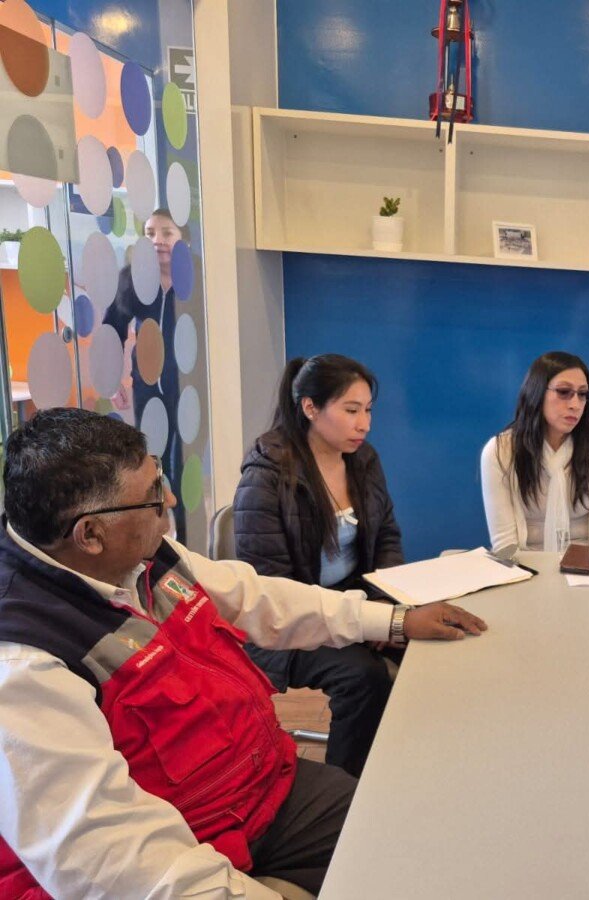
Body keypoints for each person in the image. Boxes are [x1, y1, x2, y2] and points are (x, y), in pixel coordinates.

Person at [0, 408, 485, 898]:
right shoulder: (24, 661)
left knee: (423, 840)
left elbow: (255, 597)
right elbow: (111, 859)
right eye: (152, 494)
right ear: (90, 535)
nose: (170, 499)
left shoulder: (143, 556)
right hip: (184, 842)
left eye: (160, 478)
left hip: (260, 792)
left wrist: (393, 621)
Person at [234, 354, 485, 778]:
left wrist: (384, 607)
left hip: (358, 602)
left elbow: (386, 536)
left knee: (442, 648)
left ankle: (425, 770)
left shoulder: (363, 460)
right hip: (292, 622)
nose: (364, 424)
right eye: (351, 410)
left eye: (368, 410)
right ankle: (348, 789)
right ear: (310, 408)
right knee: (364, 678)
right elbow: (275, 590)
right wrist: (371, 623)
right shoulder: (266, 477)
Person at [104, 209, 188, 543]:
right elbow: (112, 328)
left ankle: (185, 537)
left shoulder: (195, 279)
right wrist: (113, 379)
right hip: (148, 384)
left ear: (183, 239)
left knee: (182, 462)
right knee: (154, 459)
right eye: (150, 233)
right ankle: (156, 537)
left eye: (167, 233)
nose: (157, 241)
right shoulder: (134, 278)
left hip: (188, 385)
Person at [481, 351, 589, 554]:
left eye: (583, 394)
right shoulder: (500, 451)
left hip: (587, 564)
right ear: (536, 393)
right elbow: (505, 546)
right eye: (564, 392)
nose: (575, 405)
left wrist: (587, 572)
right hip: (524, 565)